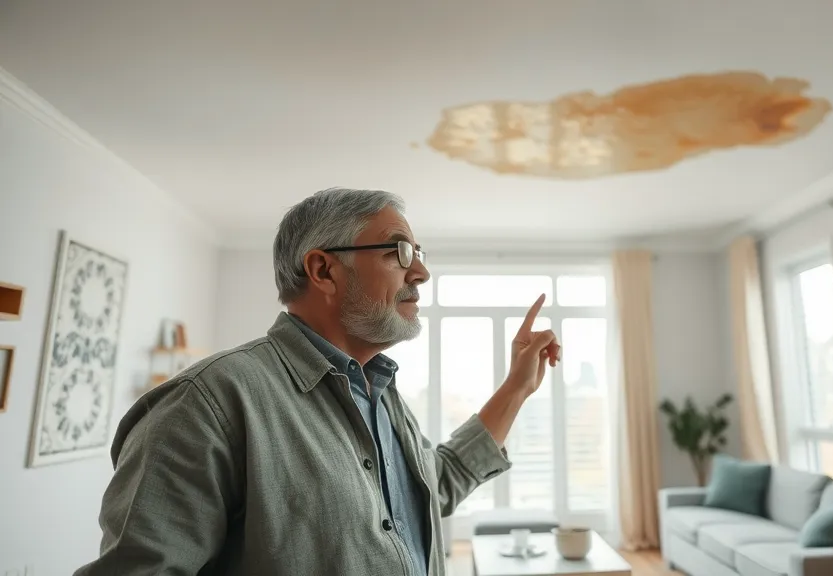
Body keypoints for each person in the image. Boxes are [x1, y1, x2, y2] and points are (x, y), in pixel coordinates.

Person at [74, 188, 561, 575]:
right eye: (400, 250)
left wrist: (517, 386)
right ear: (324, 270)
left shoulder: (381, 396)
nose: (422, 271)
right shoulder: (208, 404)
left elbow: (436, 487)